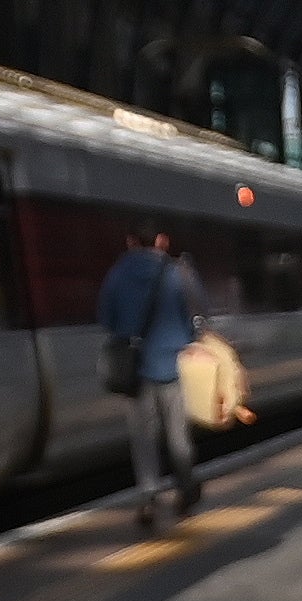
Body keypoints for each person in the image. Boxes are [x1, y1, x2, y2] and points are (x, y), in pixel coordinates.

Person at [95, 225, 204, 531]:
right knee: (178, 435)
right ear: (162, 241)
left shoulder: (116, 274)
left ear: (130, 241)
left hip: (135, 372)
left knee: (143, 438)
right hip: (172, 366)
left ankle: (148, 497)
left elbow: (106, 319)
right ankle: (186, 489)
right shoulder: (179, 273)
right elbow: (198, 314)